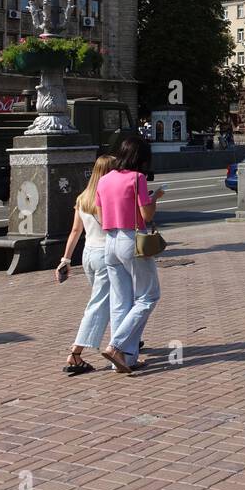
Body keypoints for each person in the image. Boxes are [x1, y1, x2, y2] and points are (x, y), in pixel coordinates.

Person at [96, 136, 165, 374]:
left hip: (110, 241)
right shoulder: (138, 179)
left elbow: (100, 212)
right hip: (131, 240)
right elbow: (145, 215)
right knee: (148, 296)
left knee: (120, 302)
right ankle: (117, 346)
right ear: (141, 158)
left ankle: (126, 358)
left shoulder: (104, 180)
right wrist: (155, 199)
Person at [58, 154, 117, 376]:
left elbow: (75, 231)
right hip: (105, 254)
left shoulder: (83, 197)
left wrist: (65, 259)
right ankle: (76, 353)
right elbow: (111, 227)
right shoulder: (106, 196)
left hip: (88, 255)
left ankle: (128, 338)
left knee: (110, 298)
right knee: (99, 304)